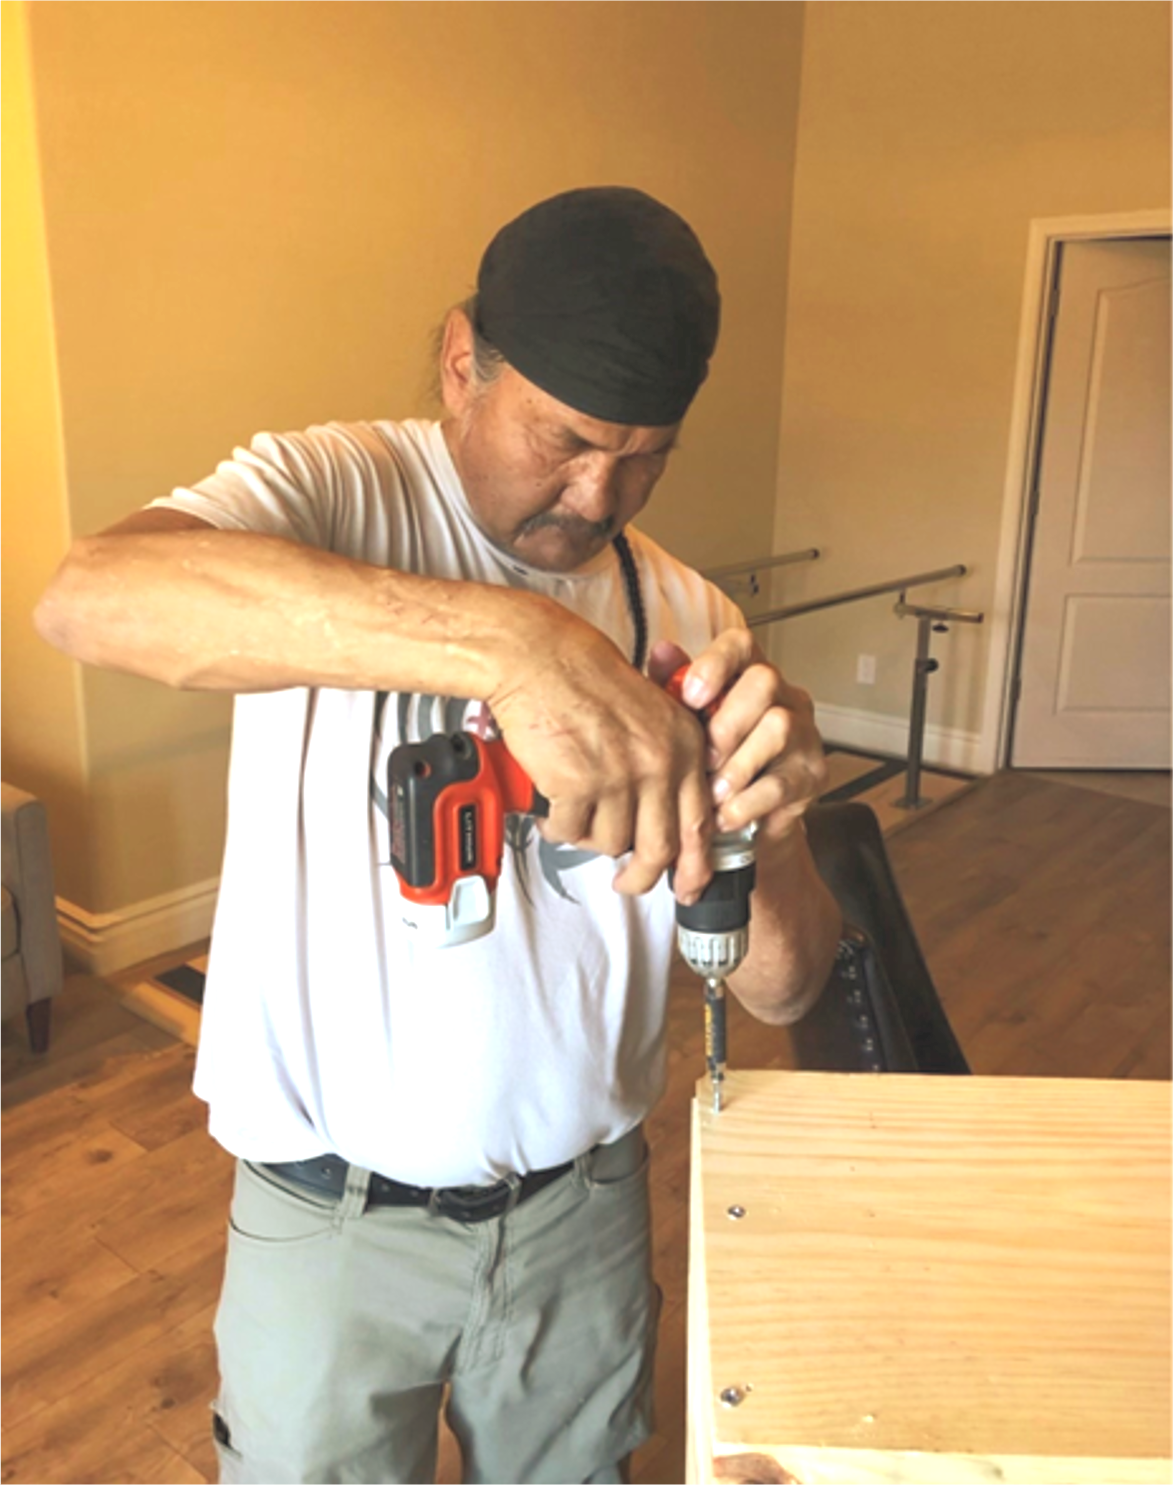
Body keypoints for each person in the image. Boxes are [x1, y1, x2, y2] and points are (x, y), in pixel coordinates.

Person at [35, 186, 841, 1485]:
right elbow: (90, 601)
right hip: (329, 1223)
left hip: (581, 1221)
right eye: (565, 438)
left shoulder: (690, 612)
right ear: (464, 362)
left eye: (647, 454)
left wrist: (779, 832)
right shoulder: (329, 489)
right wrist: (513, 638)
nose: (598, 492)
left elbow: (786, 983)